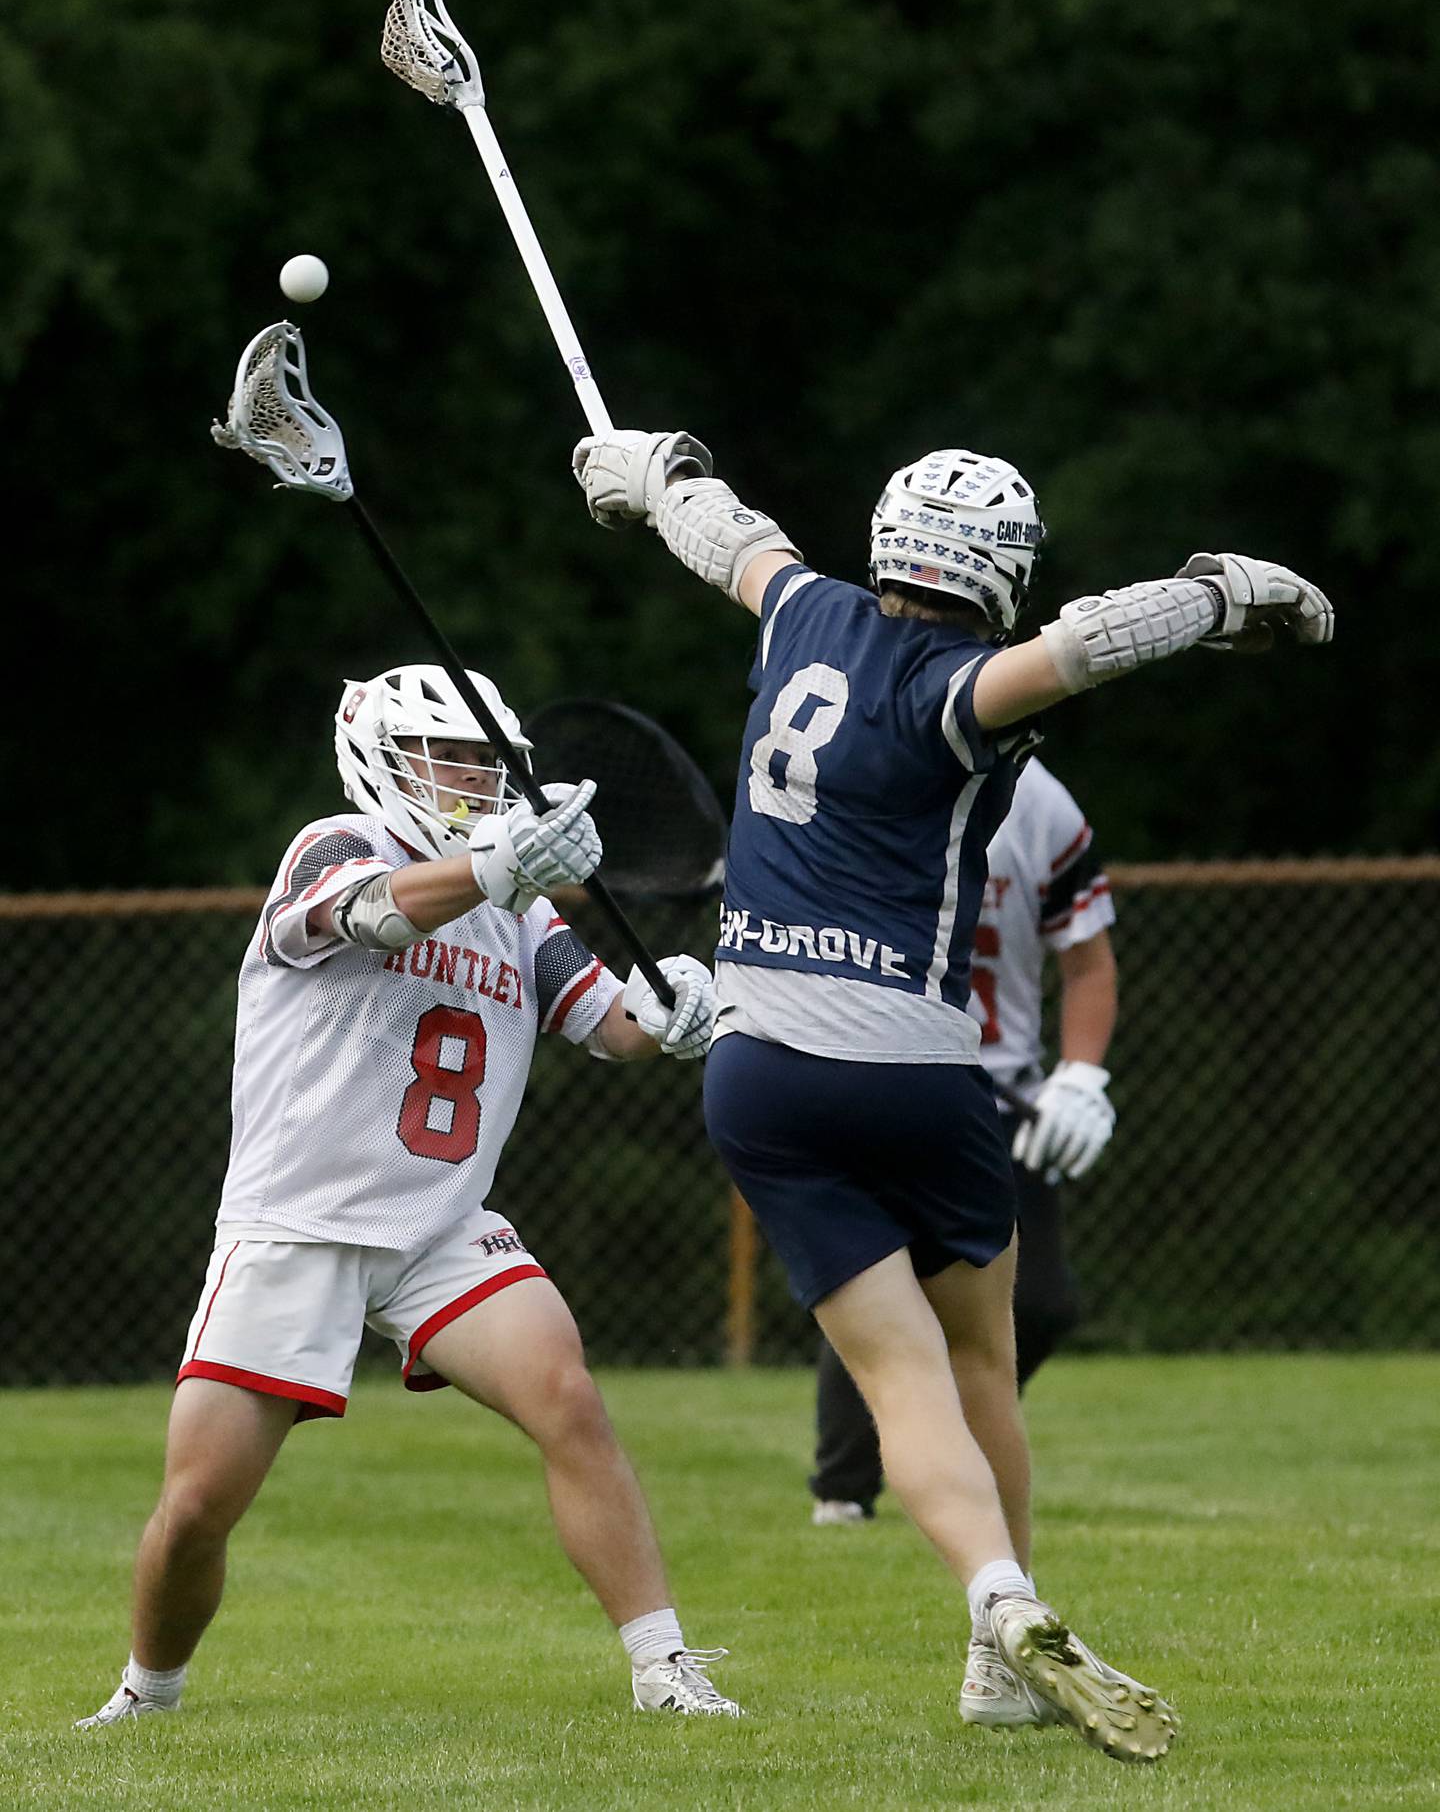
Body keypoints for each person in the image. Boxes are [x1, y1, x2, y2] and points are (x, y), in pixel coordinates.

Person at [571, 431, 1334, 1763]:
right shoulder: (957, 687)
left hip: (757, 1069)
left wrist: (648, 475)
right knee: (977, 1358)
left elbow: (725, 528)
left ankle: (1000, 1598)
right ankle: (998, 1658)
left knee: (895, 1377)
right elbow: (1087, 645)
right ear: (995, 569)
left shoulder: (803, 609)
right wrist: (1220, 595)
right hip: (914, 1067)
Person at [77, 663, 742, 1729]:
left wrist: (675, 1011)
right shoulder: (337, 844)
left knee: (568, 1399)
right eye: (453, 755)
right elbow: (363, 915)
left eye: (488, 760)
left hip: (440, 1223)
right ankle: (147, 1692)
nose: (474, 778)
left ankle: (664, 1667)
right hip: (301, 1222)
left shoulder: (516, 911)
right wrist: (493, 865)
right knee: (199, 1505)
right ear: (386, 756)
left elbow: (609, 1025)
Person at [809, 756, 1120, 1722]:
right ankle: (844, 1484)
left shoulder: (1043, 803)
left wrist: (1082, 1075)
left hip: (996, 1089)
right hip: (887, 1072)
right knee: (881, 1303)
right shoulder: (860, 768)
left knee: (1035, 1308)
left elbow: (1089, 958)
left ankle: (943, 1471)